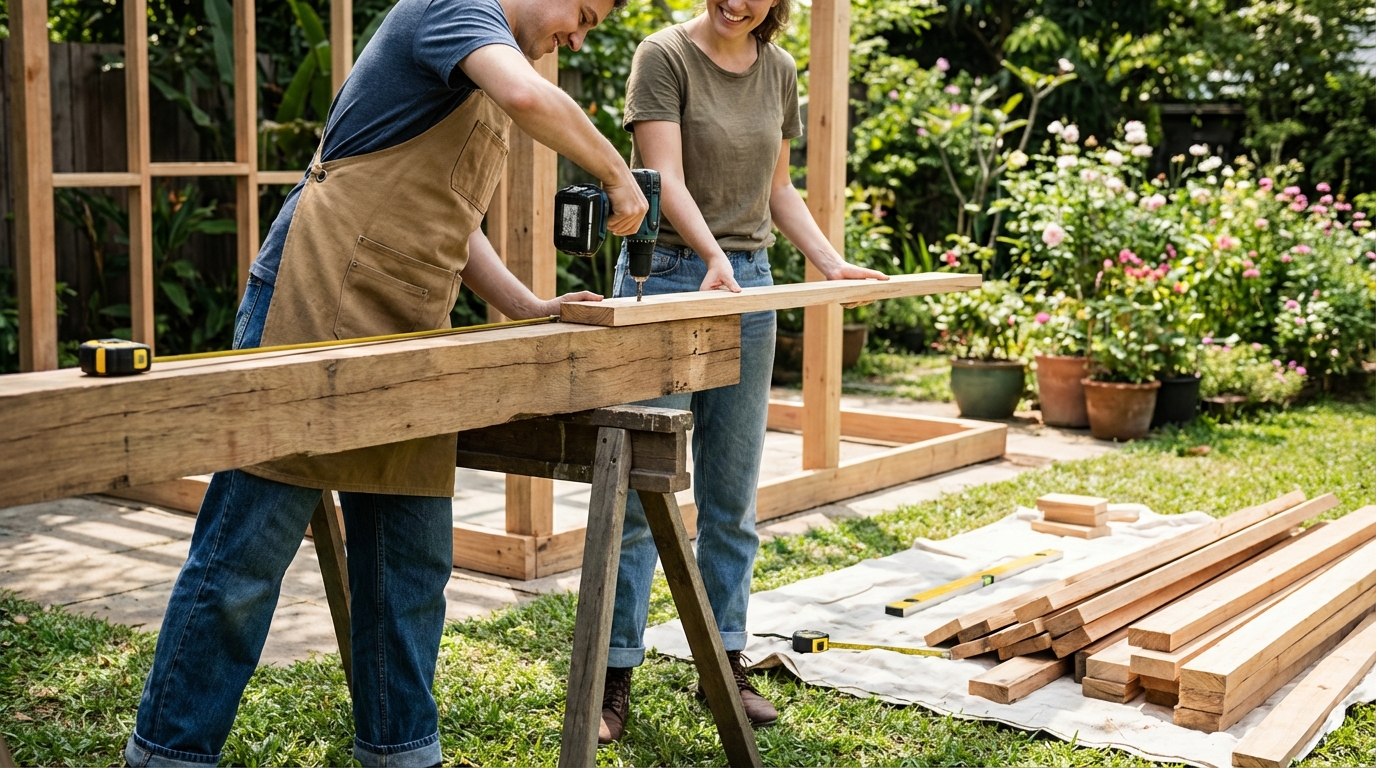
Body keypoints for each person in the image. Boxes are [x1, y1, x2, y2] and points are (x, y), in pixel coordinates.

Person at [123, 0, 647, 765]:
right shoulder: (455, 10)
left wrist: (528, 306)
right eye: (584, 14)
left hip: (409, 324)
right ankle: (166, 755)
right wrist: (615, 173)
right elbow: (532, 100)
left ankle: (403, 754)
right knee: (243, 561)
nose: (577, 36)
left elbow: (451, 215)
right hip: (315, 297)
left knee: (409, 572)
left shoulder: (489, 62)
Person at [596, 0, 887, 744]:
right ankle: (612, 676)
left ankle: (723, 664)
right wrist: (711, 259)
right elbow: (662, 177)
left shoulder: (779, 68)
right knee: (639, 490)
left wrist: (828, 261)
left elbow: (777, 190)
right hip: (667, 278)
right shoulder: (661, 56)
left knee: (732, 494)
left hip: (751, 285)